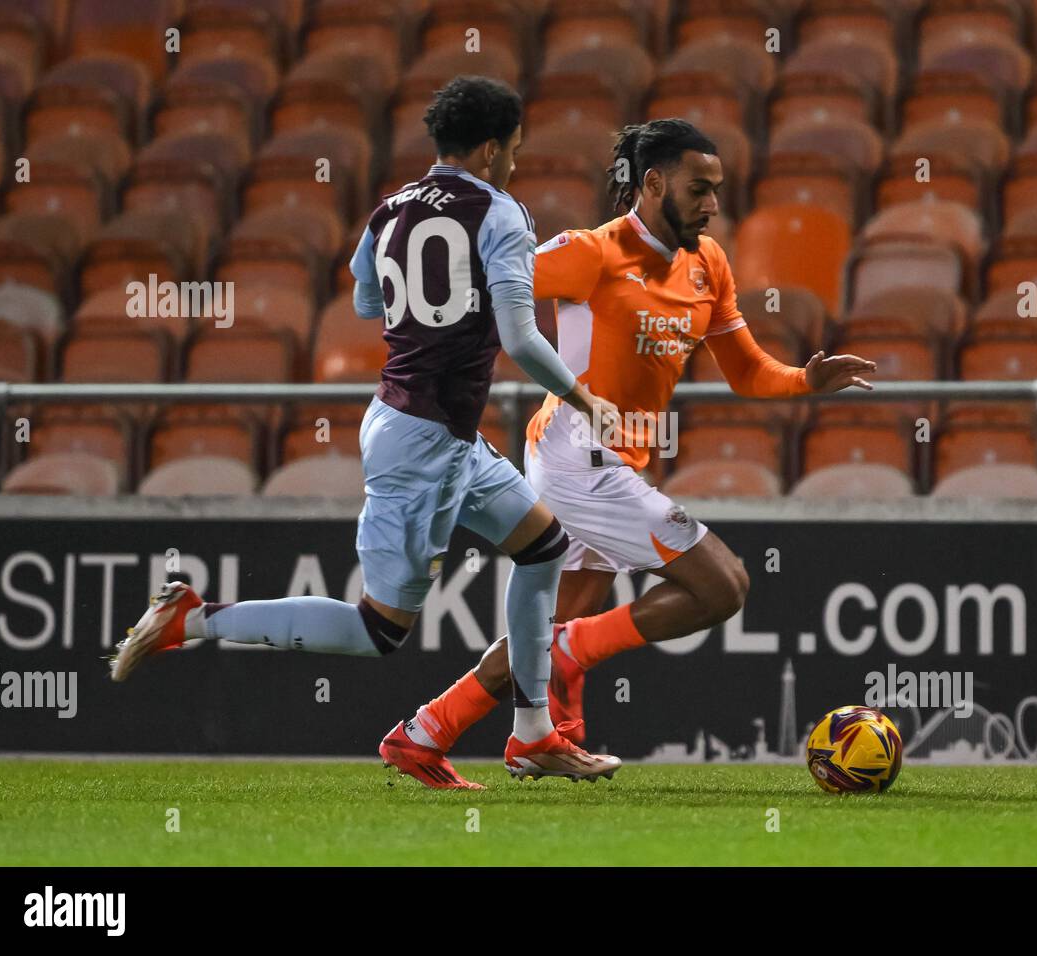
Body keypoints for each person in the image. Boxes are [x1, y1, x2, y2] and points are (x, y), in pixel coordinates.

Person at [110, 76, 624, 788]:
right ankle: (195, 619)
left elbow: (361, 297)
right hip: (423, 442)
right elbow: (519, 333)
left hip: (434, 429)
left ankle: (533, 733)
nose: (513, 163)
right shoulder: (500, 213)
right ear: (488, 148)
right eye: (511, 151)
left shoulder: (390, 210)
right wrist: (582, 396)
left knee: (543, 548)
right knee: (377, 629)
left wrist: (427, 313)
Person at [393, 118, 876, 788]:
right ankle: (565, 655)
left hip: (613, 466)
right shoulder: (592, 253)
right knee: (723, 584)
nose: (712, 204)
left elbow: (745, 371)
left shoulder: (707, 264)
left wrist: (803, 380)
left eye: (717, 190)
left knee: (555, 623)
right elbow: (486, 287)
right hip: (575, 459)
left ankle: (424, 733)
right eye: (699, 189)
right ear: (653, 183)